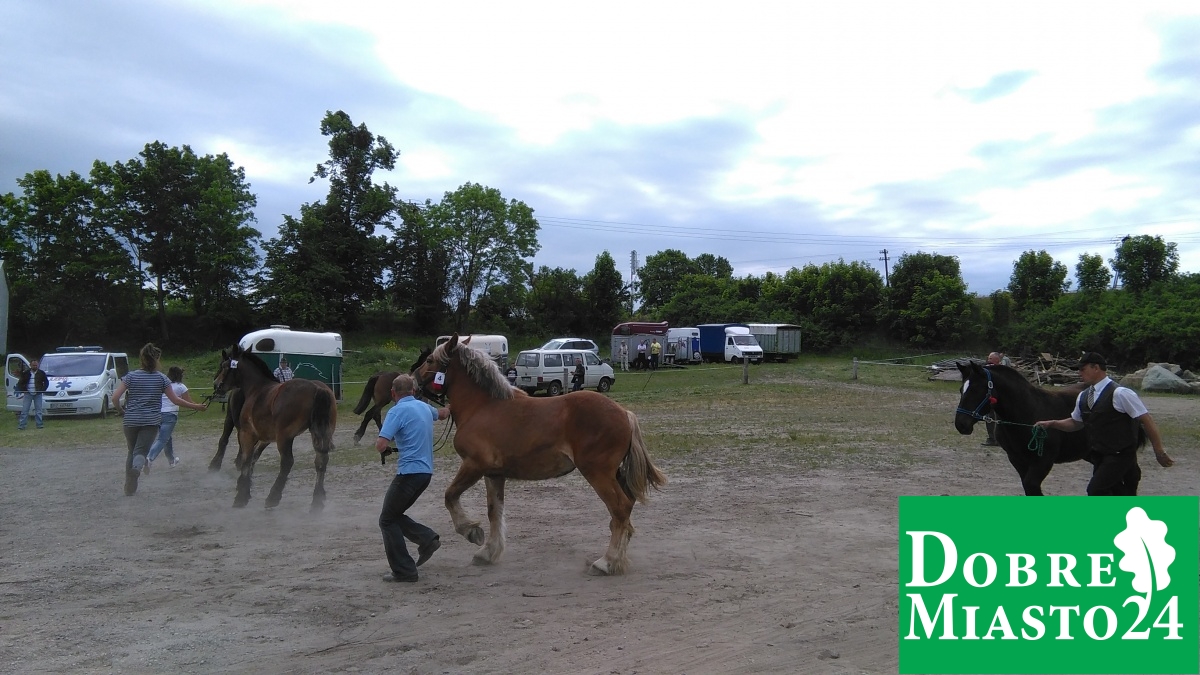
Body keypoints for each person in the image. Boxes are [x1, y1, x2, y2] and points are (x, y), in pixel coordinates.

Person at [1034, 352, 1173, 496]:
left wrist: (1159, 451)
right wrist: (1052, 423)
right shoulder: (1083, 396)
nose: (1080, 373)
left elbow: (1146, 420)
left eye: (1083, 369)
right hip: (1099, 455)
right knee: (1115, 491)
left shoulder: (1120, 393)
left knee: (1096, 490)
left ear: (1096, 368)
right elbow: (1076, 423)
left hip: (1120, 455)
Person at [375, 374, 450, 582]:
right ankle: (427, 539)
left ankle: (405, 570)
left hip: (408, 474)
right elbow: (442, 414)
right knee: (394, 515)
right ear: (414, 391)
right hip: (425, 474)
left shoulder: (396, 411)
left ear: (393, 393)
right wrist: (451, 406)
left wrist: (385, 448)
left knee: (387, 520)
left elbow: (381, 444)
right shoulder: (424, 407)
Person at [111, 344, 208, 496]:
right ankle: (136, 469)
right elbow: (176, 400)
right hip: (150, 421)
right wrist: (196, 406)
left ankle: (129, 485)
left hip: (130, 420)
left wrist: (121, 410)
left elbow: (115, 397)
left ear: (141, 359)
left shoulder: (130, 376)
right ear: (157, 360)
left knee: (132, 451)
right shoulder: (162, 378)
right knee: (141, 451)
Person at [145, 366, 197, 471]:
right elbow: (189, 402)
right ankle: (149, 458)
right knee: (162, 439)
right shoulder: (181, 387)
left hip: (158, 414)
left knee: (167, 438)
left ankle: (171, 460)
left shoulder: (164, 385)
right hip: (170, 415)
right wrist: (199, 406)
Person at [980, 352, 1011, 446]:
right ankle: (992, 438)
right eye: (988, 358)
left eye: (991, 358)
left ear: (997, 360)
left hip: (1001, 398)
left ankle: (1001, 439)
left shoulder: (1003, 371)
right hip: (990, 398)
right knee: (989, 417)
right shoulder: (986, 369)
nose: (988, 360)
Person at [16, 358, 49, 431]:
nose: (35, 366)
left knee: (38, 410)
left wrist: (42, 390)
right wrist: (24, 390)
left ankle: (39, 425)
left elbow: (46, 382)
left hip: (38, 394)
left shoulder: (41, 373)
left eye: (36, 365)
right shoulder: (26, 373)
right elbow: (20, 383)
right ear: (30, 365)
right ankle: (22, 426)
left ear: (38, 365)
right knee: (25, 410)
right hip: (28, 394)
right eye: (33, 365)